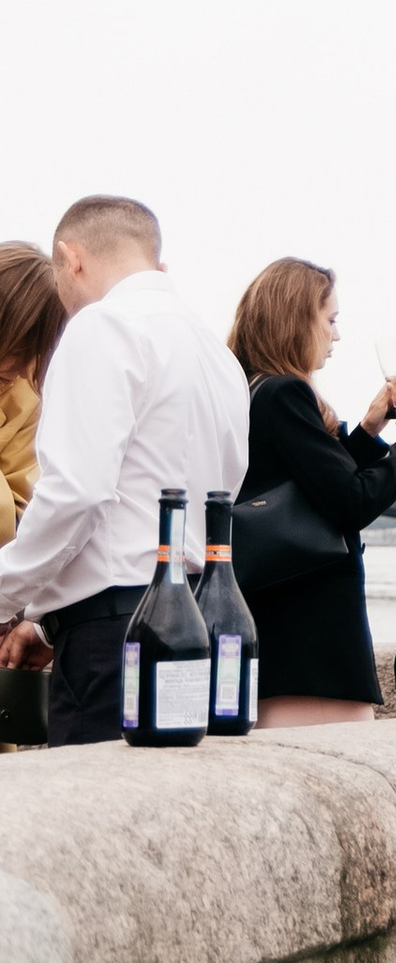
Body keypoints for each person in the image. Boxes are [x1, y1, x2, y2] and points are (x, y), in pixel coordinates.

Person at [0, 197, 249, 748]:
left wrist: (6, 593)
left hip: (112, 641)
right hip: (193, 627)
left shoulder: (100, 327)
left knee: (93, 821)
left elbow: (79, 494)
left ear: (72, 258)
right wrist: (44, 621)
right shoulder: (218, 355)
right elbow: (222, 497)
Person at [229, 258, 396, 727]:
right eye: (331, 320)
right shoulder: (285, 394)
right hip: (310, 645)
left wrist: (369, 426)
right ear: (298, 320)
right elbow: (350, 502)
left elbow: (315, 482)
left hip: (284, 630)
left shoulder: (256, 389)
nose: (336, 335)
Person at [0, 245, 68, 745]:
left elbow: (26, 504)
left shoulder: (24, 396)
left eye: (36, 349)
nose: (23, 366)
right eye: (19, 341)